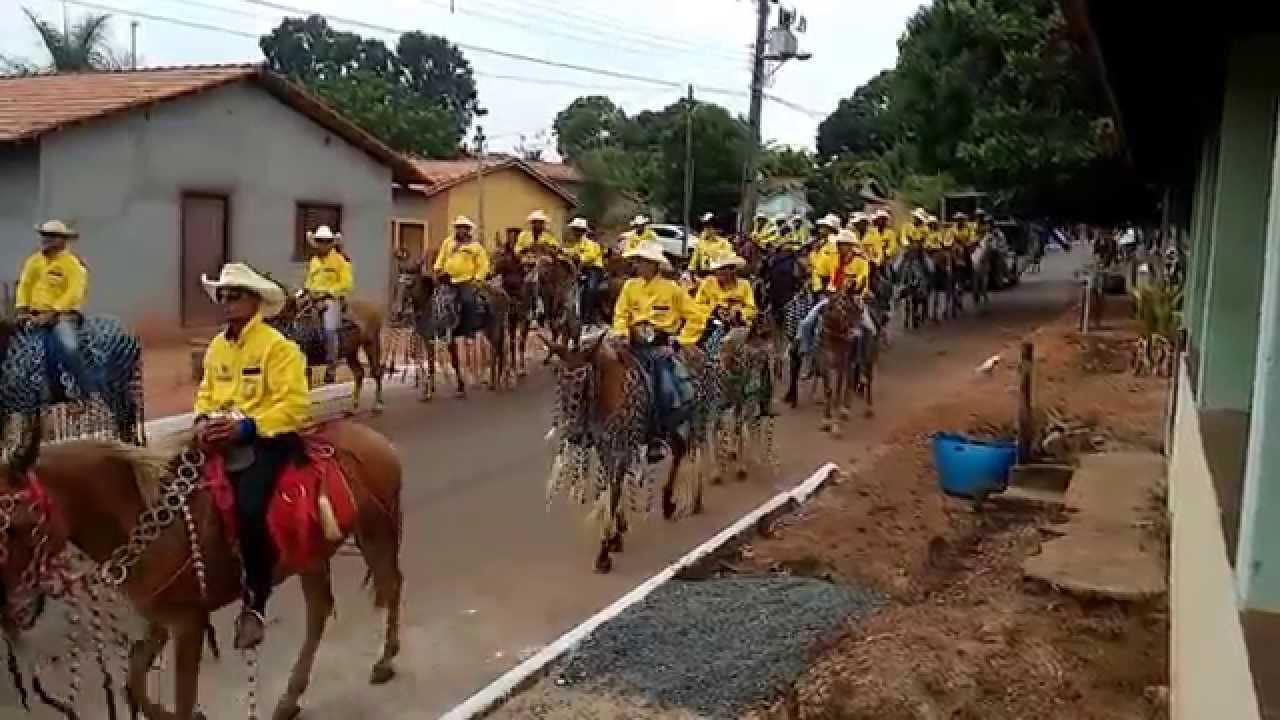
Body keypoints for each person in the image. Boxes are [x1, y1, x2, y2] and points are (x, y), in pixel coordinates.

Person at [195, 262, 310, 650]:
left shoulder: (280, 349)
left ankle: (256, 601)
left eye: (235, 295)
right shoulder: (216, 346)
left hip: (265, 439)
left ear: (255, 301)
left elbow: (295, 407)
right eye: (223, 295)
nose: (227, 302)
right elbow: (207, 393)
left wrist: (246, 428)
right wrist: (201, 421)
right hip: (219, 437)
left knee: (248, 509)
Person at [612, 241, 698, 462]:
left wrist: (680, 340)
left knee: (663, 386)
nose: (638, 265)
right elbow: (620, 313)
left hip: (659, 345)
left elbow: (695, 316)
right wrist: (621, 331)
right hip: (631, 342)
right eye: (637, 261)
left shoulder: (673, 289)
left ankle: (656, 436)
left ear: (653, 265)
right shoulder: (630, 286)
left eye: (642, 262)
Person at [15, 220, 93, 397]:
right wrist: (22, 308)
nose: (46, 240)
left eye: (51, 237)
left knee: (69, 347)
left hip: (62, 316)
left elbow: (75, 291)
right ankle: (53, 392)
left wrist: (54, 311)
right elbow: (25, 284)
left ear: (62, 240)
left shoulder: (72, 264)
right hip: (34, 315)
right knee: (25, 352)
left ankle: (85, 389)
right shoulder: (34, 261)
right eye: (44, 236)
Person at [798, 231, 871, 355]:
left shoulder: (861, 260)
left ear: (850, 246)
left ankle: (862, 362)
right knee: (806, 323)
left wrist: (853, 285)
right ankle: (807, 354)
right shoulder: (832, 257)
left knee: (869, 329)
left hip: (854, 297)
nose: (839, 247)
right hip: (832, 296)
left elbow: (863, 278)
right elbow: (819, 271)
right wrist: (819, 287)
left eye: (842, 244)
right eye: (838, 244)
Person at [304, 225, 354, 383]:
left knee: (329, 329)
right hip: (312, 297)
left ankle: (332, 367)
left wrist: (328, 293)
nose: (322, 245)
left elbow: (347, 284)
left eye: (325, 242)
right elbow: (308, 281)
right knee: (297, 325)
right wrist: (305, 291)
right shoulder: (313, 261)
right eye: (319, 241)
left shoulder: (340, 261)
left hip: (330, 298)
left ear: (331, 243)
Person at [433, 216, 491, 334]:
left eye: (463, 228)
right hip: (447, 279)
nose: (460, 230)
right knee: (437, 301)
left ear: (468, 230)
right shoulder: (448, 242)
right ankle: (438, 329)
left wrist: (478, 279)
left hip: (466, 280)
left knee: (467, 301)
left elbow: (483, 264)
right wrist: (437, 268)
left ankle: (468, 330)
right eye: (458, 228)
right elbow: (441, 257)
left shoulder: (475, 246)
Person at [564, 217, 605, 325]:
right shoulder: (576, 244)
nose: (575, 232)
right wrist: (562, 252)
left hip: (594, 269)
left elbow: (589, 258)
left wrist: (577, 261)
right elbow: (571, 253)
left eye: (577, 229)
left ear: (583, 231)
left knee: (590, 289)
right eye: (574, 229)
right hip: (581, 268)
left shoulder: (591, 244)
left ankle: (588, 317)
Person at [808, 214, 843, 291]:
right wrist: (815, 251)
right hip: (817, 282)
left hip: (826, 283)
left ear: (830, 229)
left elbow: (835, 267)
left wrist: (831, 286)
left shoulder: (834, 244)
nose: (820, 229)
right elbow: (813, 263)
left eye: (824, 226)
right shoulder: (821, 242)